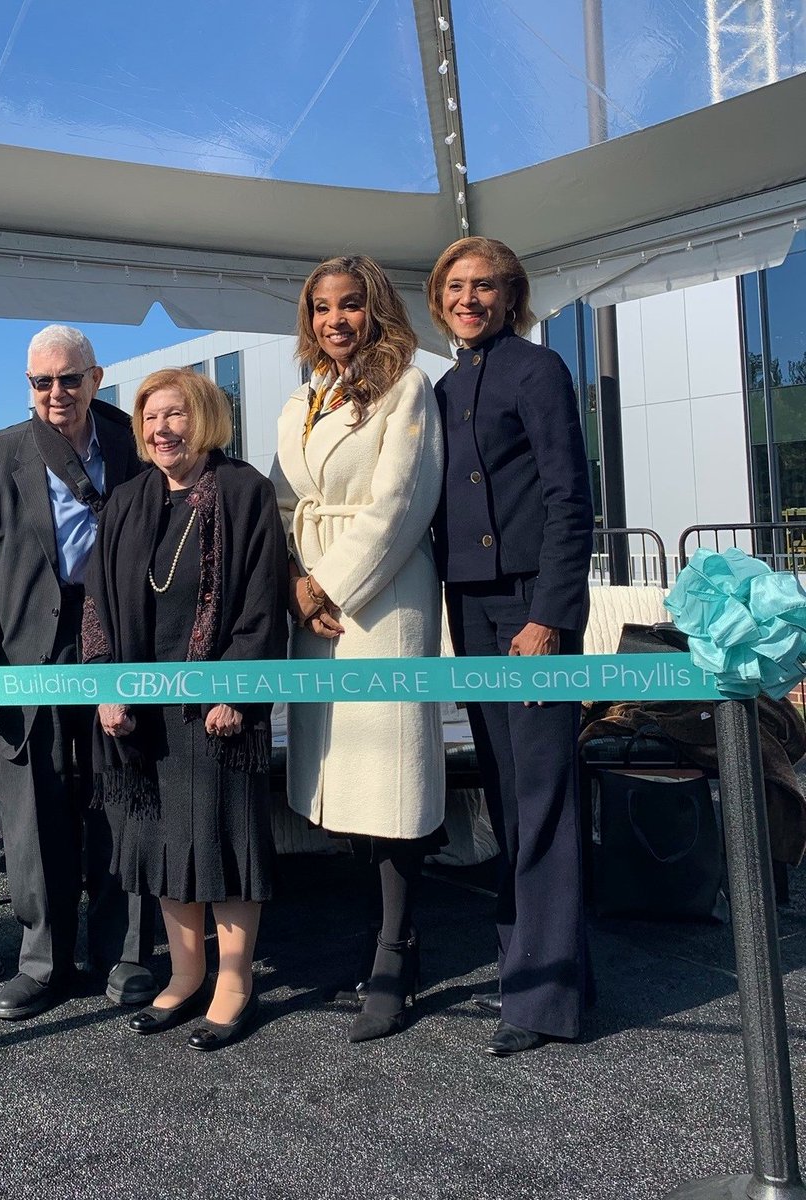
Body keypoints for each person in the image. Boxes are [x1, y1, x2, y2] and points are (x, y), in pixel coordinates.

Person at [0, 325, 157, 1022]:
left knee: (121, 796)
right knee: (30, 810)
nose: (56, 394)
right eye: (42, 382)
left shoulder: (136, 444)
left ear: (95, 378)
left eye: (70, 379)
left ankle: (126, 955)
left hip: (119, 643)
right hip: (22, 651)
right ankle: (43, 962)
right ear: (28, 386)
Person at [82, 368, 288, 1052]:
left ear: (203, 419)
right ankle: (185, 975)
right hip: (144, 715)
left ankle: (233, 984)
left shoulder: (242, 491)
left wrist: (235, 686)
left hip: (216, 708)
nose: (161, 429)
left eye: (174, 415)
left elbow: (262, 598)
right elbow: (96, 605)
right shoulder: (128, 499)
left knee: (224, 845)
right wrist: (105, 686)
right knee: (164, 847)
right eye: (149, 418)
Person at [269, 254, 445, 1044]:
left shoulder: (406, 386)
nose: (334, 321)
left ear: (375, 310)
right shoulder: (302, 400)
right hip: (315, 599)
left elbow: (401, 502)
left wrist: (331, 585)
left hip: (381, 599)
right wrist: (296, 585)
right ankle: (373, 928)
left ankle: (396, 947)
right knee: (342, 778)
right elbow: (281, 501)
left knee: (390, 777)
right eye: (320, 309)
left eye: (348, 306)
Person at [427, 236, 595, 1057]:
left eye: (486, 285)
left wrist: (552, 614)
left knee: (545, 793)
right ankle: (537, 963)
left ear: (511, 294)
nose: (470, 297)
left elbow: (571, 498)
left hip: (532, 606)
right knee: (506, 791)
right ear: (439, 298)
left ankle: (543, 998)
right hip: (473, 607)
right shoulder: (444, 384)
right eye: (457, 286)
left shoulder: (540, 370)